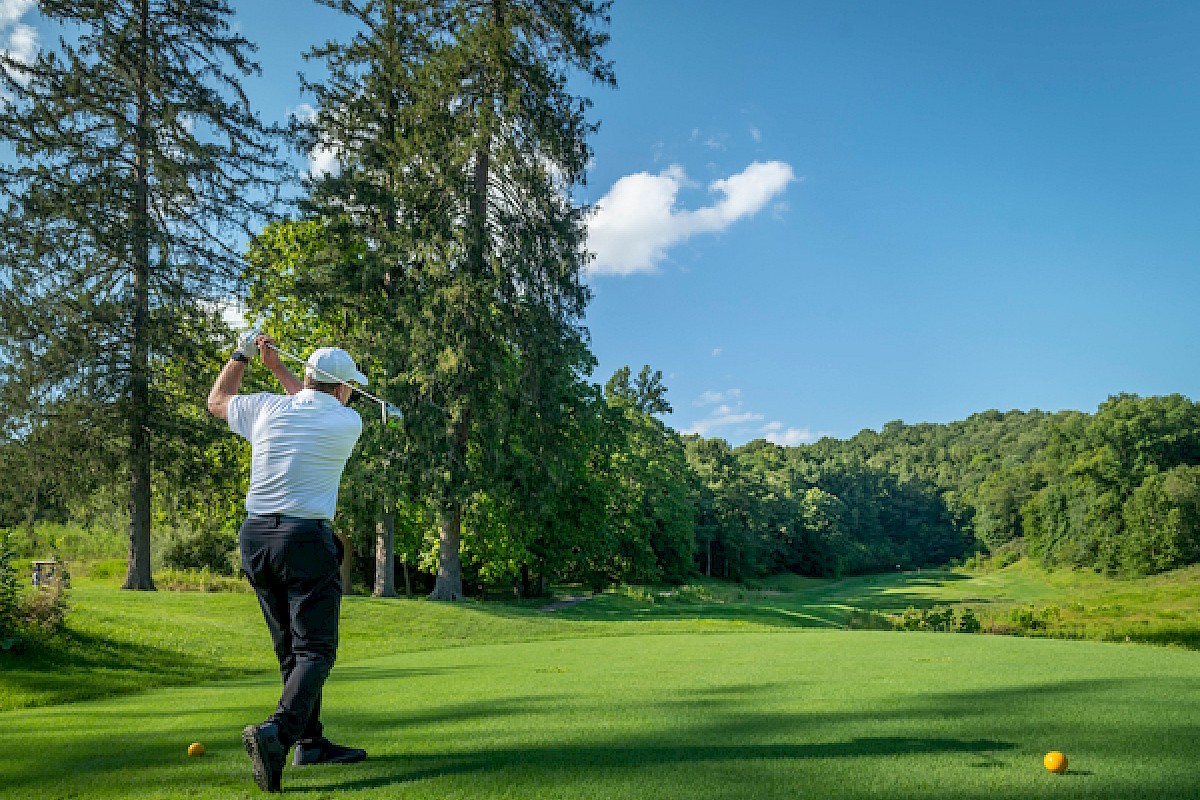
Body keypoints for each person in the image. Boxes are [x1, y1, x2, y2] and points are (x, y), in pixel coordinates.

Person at [207, 330, 368, 793]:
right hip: (304, 538)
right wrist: (281, 370)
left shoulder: (265, 409)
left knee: (291, 652)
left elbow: (219, 401)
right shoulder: (347, 421)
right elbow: (311, 401)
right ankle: (277, 734)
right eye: (349, 385)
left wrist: (245, 355)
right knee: (316, 651)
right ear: (342, 389)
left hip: (255, 537)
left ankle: (309, 743)